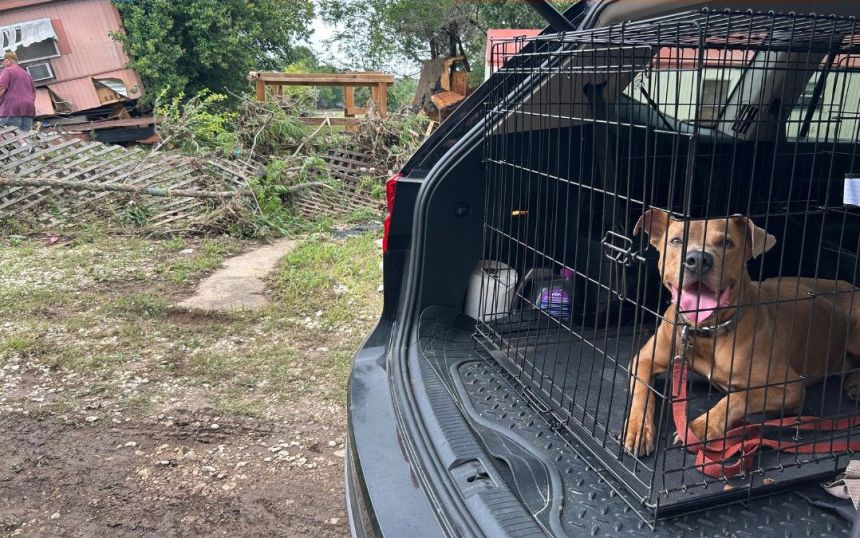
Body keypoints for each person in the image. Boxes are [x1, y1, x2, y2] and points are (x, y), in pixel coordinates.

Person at [0, 51, 36, 131]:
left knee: (8, 133)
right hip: (28, 108)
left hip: (12, 107)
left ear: (8, 60)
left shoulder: (8, 70)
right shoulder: (27, 74)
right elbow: (34, 94)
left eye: (3, 61)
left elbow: (2, 88)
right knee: (24, 134)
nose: (2, 64)